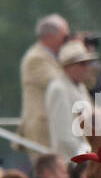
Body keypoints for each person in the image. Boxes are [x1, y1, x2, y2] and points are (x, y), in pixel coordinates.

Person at [19, 14, 70, 151]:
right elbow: (61, 83)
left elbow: (86, 82)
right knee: (47, 170)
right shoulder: (35, 58)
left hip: (56, 125)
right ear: (49, 36)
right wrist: (73, 56)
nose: (67, 40)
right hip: (42, 128)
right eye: (65, 36)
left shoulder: (56, 57)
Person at [44, 41, 98, 159]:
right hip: (71, 160)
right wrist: (85, 155)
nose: (87, 68)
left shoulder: (80, 86)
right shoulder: (58, 89)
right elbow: (63, 134)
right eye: (82, 64)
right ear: (68, 66)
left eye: (88, 63)